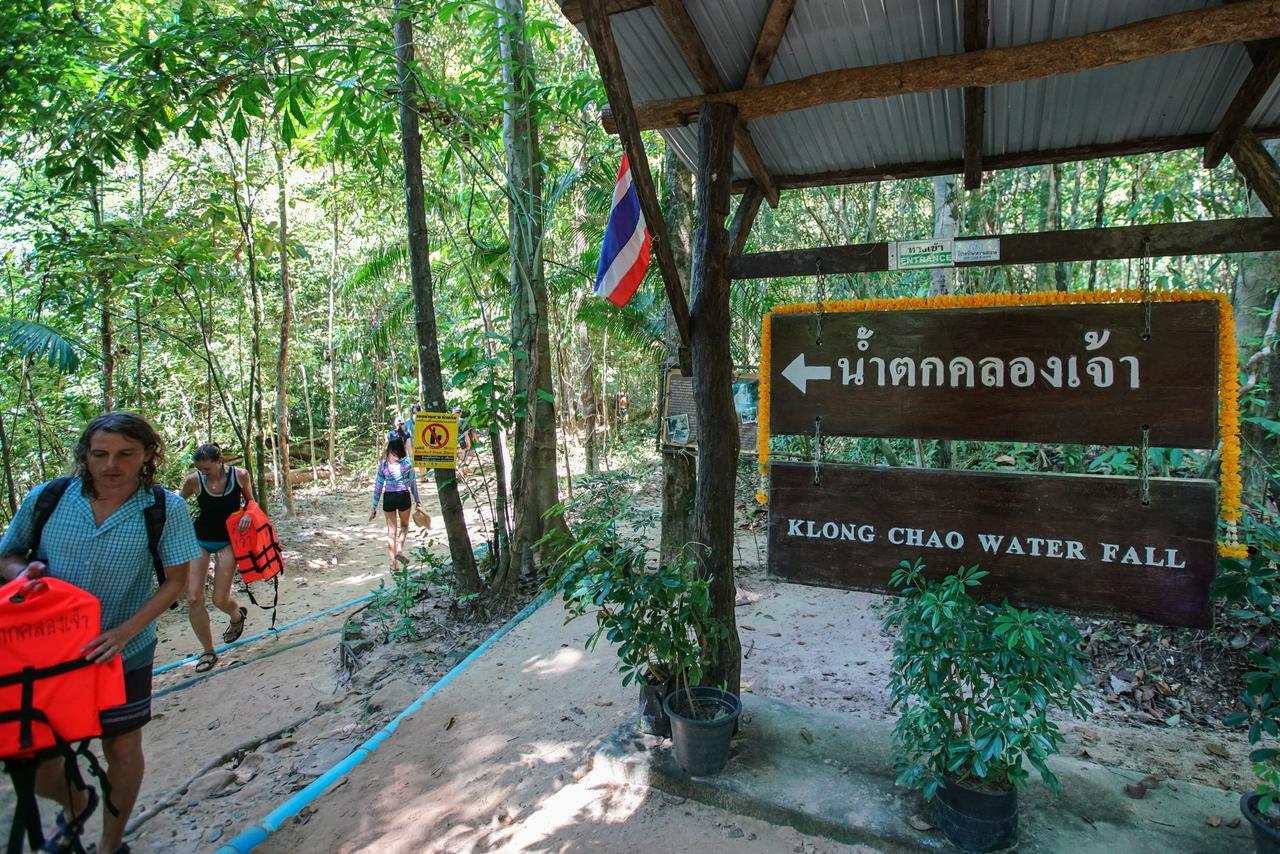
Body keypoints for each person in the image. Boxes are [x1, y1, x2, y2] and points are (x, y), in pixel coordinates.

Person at [0, 412, 200, 854]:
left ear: (147, 454)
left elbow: (174, 582)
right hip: (49, 653)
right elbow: (9, 554)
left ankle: (110, 845)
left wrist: (125, 633)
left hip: (124, 652)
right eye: (100, 454)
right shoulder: (48, 497)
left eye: (126, 454)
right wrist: (22, 576)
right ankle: (77, 802)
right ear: (84, 456)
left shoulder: (165, 507)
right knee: (36, 754)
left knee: (122, 747)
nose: (112, 464)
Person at [178, 443, 252, 673]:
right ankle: (208, 651)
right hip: (200, 539)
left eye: (207, 469)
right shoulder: (193, 481)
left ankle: (236, 614)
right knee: (193, 597)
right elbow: (178, 505)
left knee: (220, 599)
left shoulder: (240, 476)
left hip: (228, 540)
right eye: (200, 469)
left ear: (220, 462)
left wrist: (247, 514)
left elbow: (251, 502)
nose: (203, 473)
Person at [368, 433, 422, 568]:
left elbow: (378, 486)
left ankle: (394, 564)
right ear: (402, 448)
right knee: (404, 527)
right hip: (403, 495)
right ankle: (399, 550)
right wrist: (417, 501)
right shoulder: (408, 463)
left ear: (389, 449)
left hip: (389, 497)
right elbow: (412, 483)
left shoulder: (383, 465)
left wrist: (374, 506)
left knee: (391, 532)